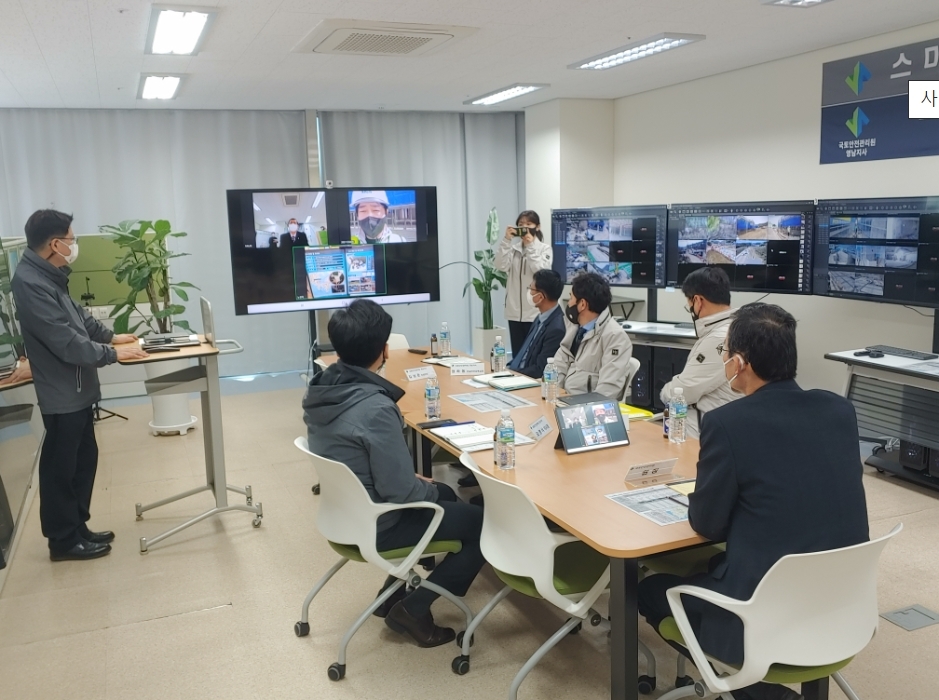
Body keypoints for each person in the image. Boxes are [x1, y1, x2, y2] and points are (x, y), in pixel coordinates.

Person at [637, 303, 869, 700]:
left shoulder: (728, 423)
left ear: (740, 363)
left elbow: (707, 524)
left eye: (725, 352)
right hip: (839, 604)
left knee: (648, 589)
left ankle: (757, 692)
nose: (724, 360)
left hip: (760, 615)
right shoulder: (839, 410)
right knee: (713, 564)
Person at [302, 299, 483, 648]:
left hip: (346, 512)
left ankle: (392, 592)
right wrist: (417, 484)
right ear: (384, 350)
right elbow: (401, 492)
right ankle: (413, 609)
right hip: (379, 522)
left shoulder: (323, 389)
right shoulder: (374, 408)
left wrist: (419, 483)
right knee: (483, 523)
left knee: (446, 494)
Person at [11, 210, 149, 561]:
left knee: (83, 460)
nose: (74, 246)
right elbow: (65, 341)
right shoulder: (29, 282)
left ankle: (77, 526)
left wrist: (111, 336)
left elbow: (78, 318)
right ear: (55, 243)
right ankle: (62, 540)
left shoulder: (50, 274)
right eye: (71, 240)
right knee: (61, 468)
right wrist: (113, 354)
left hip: (77, 388)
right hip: (62, 393)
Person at [660, 267, 742, 438]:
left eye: (689, 305)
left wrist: (665, 392)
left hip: (703, 430)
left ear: (698, 301)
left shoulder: (720, 337)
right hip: (719, 422)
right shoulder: (734, 327)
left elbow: (685, 390)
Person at [553, 272, 633, 400]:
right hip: (564, 400)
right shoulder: (575, 327)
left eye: (571, 298)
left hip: (585, 406)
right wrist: (552, 394)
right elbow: (559, 363)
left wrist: (573, 406)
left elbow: (608, 390)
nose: (569, 303)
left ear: (582, 304)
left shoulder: (615, 337)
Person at [494, 210, 552, 355]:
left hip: (534, 312)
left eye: (528, 224)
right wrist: (506, 241)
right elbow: (500, 265)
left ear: (537, 227)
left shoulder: (544, 249)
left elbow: (541, 273)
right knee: (517, 355)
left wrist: (531, 247)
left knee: (532, 355)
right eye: (521, 224)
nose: (524, 227)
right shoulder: (513, 250)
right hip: (514, 312)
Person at [507, 269, 565, 378]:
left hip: (526, 379)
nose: (529, 293)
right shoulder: (539, 318)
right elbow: (524, 355)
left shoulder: (556, 329)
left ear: (540, 297)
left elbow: (540, 369)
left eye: (531, 289)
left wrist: (514, 375)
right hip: (516, 372)